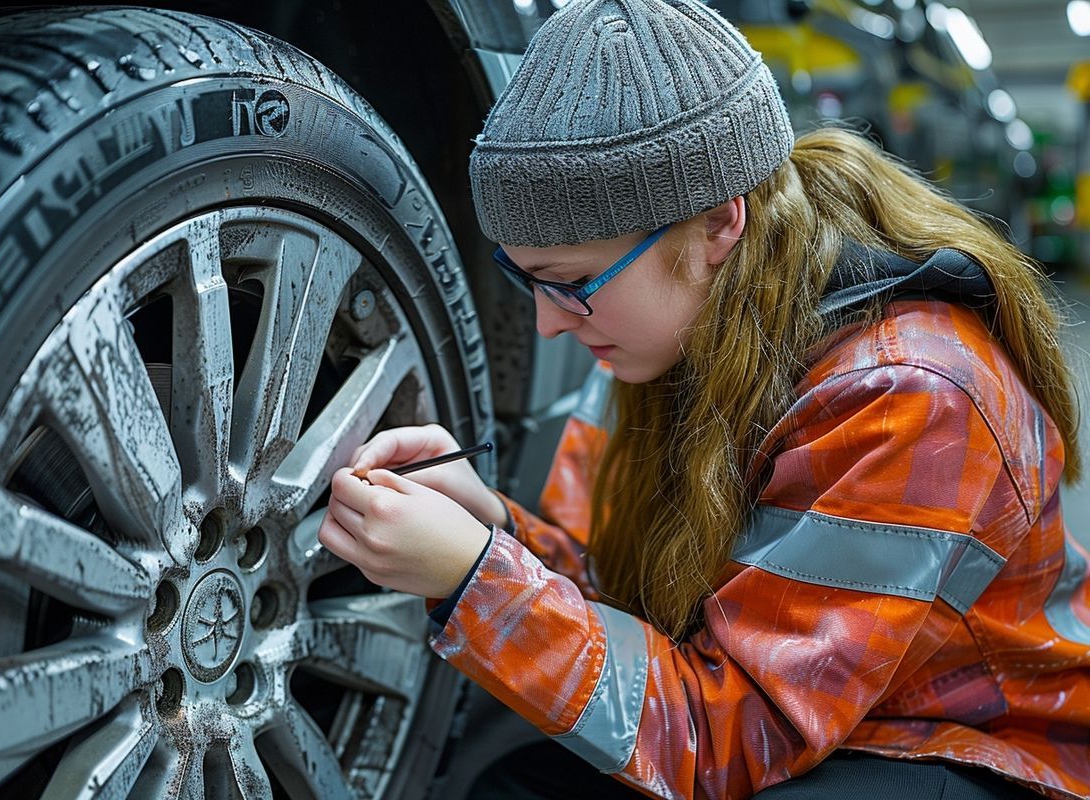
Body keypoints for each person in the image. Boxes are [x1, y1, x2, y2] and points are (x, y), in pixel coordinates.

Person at [317, 0, 1090, 797]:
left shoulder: (912, 401)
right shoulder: (677, 324)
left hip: (966, 747)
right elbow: (654, 614)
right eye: (525, 280)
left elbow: (728, 738)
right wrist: (496, 531)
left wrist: (473, 579)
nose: (547, 325)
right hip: (823, 714)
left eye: (570, 284)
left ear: (720, 222)